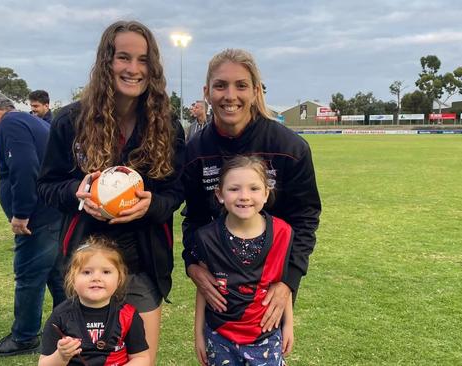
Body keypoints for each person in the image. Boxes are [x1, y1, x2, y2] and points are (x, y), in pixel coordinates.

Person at [37, 20, 185, 364]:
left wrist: (151, 205)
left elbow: (176, 191)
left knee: (140, 359)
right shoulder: (70, 120)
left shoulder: (166, 124)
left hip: (141, 265)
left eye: (143, 60)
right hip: (87, 265)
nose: (133, 69)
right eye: (123, 57)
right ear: (107, 62)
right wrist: (79, 190)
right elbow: (46, 186)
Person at [182, 49, 321, 338]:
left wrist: (288, 282)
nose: (230, 95)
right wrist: (192, 265)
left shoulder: (290, 148)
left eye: (241, 85)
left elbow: (305, 219)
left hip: (270, 288)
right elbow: (194, 218)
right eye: (220, 85)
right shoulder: (195, 151)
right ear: (207, 92)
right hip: (221, 295)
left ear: (256, 91)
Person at [0, 91, 66, 356]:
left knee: (29, 276)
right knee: (56, 274)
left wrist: (22, 212)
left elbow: (25, 168)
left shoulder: (11, 124)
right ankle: (69, 326)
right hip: (53, 211)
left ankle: (25, 337)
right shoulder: (31, 121)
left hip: (38, 215)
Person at [192, 156, 294, 365]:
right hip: (220, 336)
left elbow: (282, 285)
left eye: (254, 189)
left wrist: (288, 325)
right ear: (220, 194)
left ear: (266, 193)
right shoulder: (206, 237)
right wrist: (199, 334)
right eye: (234, 189)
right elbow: (204, 287)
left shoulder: (282, 232)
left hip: (265, 335)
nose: (244, 196)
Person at [39, 236, 150, 366]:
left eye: (106, 272)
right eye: (86, 272)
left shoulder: (128, 315)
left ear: (119, 279)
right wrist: (61, 356)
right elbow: (43, 364)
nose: (96, 278)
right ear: (72, 279)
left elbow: (142, 358)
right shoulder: (60, 316)